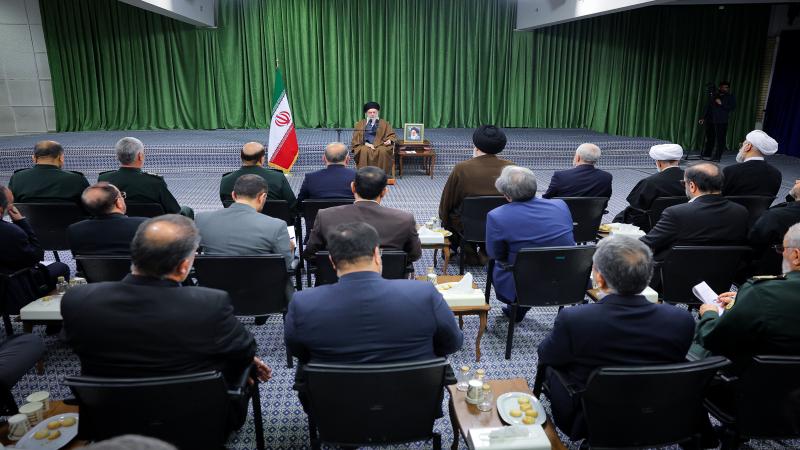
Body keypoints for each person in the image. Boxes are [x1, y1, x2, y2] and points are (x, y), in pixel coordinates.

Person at [61, 215, 271, 432]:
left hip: (110, 414)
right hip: (194, 418)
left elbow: (72, 341)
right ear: (184, 267)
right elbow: (244, 349)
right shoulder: (209, 304)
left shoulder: (77, 300)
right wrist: (248, 359)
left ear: (135, 253)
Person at [285, 222, 463, 407]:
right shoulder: (425, 294)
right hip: (413, 408)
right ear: (377, 254)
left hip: (335, 410)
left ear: (332, 261)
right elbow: (453, 343)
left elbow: (300, 352)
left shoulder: (302, 303)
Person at [537, 236, 695, 440]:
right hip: (656, 409)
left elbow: (547, 355)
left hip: (589, 415)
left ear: (600, 279)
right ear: (648, 276)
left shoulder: (575, 319)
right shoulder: (682, 320)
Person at [692, 223, 800, 368]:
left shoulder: (760, 291)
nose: (781, 254)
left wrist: (709, 314)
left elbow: (712, 337)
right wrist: (743, 299)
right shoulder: (760, 293)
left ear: (796, 255)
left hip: (752, 376)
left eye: (782, 249)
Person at [486, 166, 575, 323]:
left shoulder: (497, 216)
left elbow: (495, 254)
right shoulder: (560, 205)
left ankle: (517, 307)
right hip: (568, 278)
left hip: (522, 284)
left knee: (492, 264)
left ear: (507, 195)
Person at [303, 166, 421, 262]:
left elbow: (310, 254)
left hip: (338, 281)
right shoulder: (405, 219)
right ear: (384, 191)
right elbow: (414, 255)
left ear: (353, 187)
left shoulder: (325, 216)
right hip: (390, 282)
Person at [640, 162, 749, 265]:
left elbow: (646, 243)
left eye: (684, 183)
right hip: (725, 273)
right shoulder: (741, 211)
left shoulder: (676, 213)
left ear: (692, 186)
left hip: (675, 272)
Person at [438, 125, 513, 264]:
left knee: (449, 214)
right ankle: (487, 251)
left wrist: (444, 219)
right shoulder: (511, 168)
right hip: (500, 224)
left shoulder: (462, 168)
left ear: (476, 146)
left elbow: (446, 203)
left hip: (467, 226)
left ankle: (465, 249)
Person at [197, 175, 293, 270]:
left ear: (233, 195)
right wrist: (290, 249)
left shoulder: (202, 219)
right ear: (262, 197)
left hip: (213, 279)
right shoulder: (277, 226)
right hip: (259, 280)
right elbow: (286, 265)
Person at [0, 186, 70, 312]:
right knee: (61, 268)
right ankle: (44, 313)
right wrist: (22, 222)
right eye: (10, 204)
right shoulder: (11, 232)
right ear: (1, 209)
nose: (12, 207)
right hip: (11, 287)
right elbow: (36, 256)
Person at [98, 137, 194, 218]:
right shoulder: (155, 182)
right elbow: (174, 211)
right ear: (140, 156)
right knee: (187, 210)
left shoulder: (104, 179)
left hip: (116, 227)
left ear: (117, 157)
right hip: (152, 230)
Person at [613, 143, 685, 230]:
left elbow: (635, 210)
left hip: (653, 229)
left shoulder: (650, 182)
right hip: (686, 225)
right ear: (678, 161)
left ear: (659, 163)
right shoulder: (692, 180)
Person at [67, 182, 147, 256]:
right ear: (118, 202)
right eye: (122, 195)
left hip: (94, 267)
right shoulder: (145, 225)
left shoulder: (75, 230)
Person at [219, 142, 297, 211]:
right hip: (272, 222)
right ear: (261, 159)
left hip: (238, 222)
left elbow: (226, 206)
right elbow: (292, 205)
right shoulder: (278, 177)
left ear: (241, 157)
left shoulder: (226, 180)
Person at [8, 140, 89, 203]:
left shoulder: (16, 178)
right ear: (61, 158)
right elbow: (89, 206)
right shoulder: (77, 179)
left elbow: (12, 206)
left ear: (34, 158)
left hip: (29, 220)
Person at [721, 129, 782, 197]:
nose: (740, 149)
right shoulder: (776, 174)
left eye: (742, 145)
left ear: (748, 146)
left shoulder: (730, 171)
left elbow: (719, 196)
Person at [542, 143, 612, 199]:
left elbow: (547, 198)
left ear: (578, 158)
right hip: (594, 213)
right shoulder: (606, 177)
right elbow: (606, 198)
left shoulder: (560, 176)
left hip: (564, 213)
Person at [351, 101, 397, 176]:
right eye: (370, 112)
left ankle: (381, 174)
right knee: (364, 150)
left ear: (378, 112)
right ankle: (364, 174)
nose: (372, 114)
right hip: (365, 144)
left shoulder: (384, 123)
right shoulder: (360, 123)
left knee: (383, 151)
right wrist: (367, 144)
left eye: (374, 112)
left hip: (381, 145)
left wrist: (389, 140)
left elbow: (391, 135)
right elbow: (356, 138)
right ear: (366, 113)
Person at [699, 81, 736, 162]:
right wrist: (703, 117)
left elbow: (732, 107)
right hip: (710, 120)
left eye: (727, 87)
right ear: (720, 88)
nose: (725, 89)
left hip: (721, 121)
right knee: (710, 137)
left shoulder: (730, 97)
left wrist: (721, 104)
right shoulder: (714, 96)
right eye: (724, 87)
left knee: (720, 139)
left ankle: (717, 156)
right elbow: (708, 107)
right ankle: (707, 153)